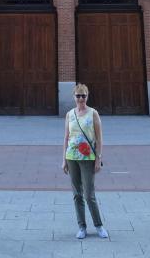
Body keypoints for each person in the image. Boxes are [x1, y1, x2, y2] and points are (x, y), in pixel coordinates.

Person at [62, 83, 109, 240]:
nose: (81, 99)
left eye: (83, 95)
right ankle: (82, 226)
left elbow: (99, 137)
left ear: (87, 96)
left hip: (88, 158)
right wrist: (64, 160)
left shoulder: (93, 113)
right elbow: (66, 138)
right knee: (77, 194)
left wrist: (98, 158)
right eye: (78, 96)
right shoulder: (69, 114)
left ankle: (99, 225)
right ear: (74, 97)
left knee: (89, 194)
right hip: (72, 157)